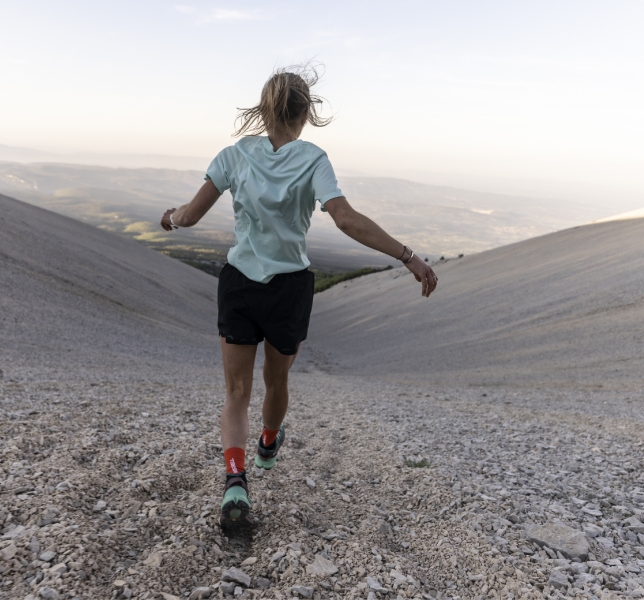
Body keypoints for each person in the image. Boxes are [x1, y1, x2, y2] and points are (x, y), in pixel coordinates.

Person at [159, 65, 438, 533]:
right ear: (307, 112)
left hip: (240, 283)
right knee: (277, 380)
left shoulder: (233, 155)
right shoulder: (313, 158)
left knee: (236, 391)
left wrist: (169, 218)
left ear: (264, 109)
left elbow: (189, 214)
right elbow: (346, 220)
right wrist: (407, 256)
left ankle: (234, 481)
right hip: (289, 289)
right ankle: (268, 440)